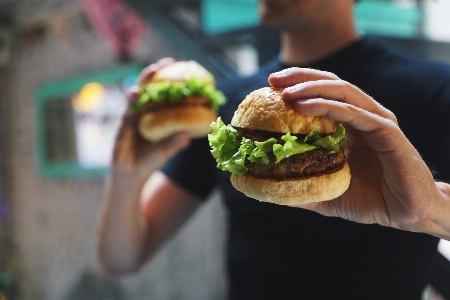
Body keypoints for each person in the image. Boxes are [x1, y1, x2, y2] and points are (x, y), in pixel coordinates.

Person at [97, 0, 450, 299]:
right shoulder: (229, 107)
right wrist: (126, 178)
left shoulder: (436, 90)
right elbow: (122, 259)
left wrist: (430, 211)